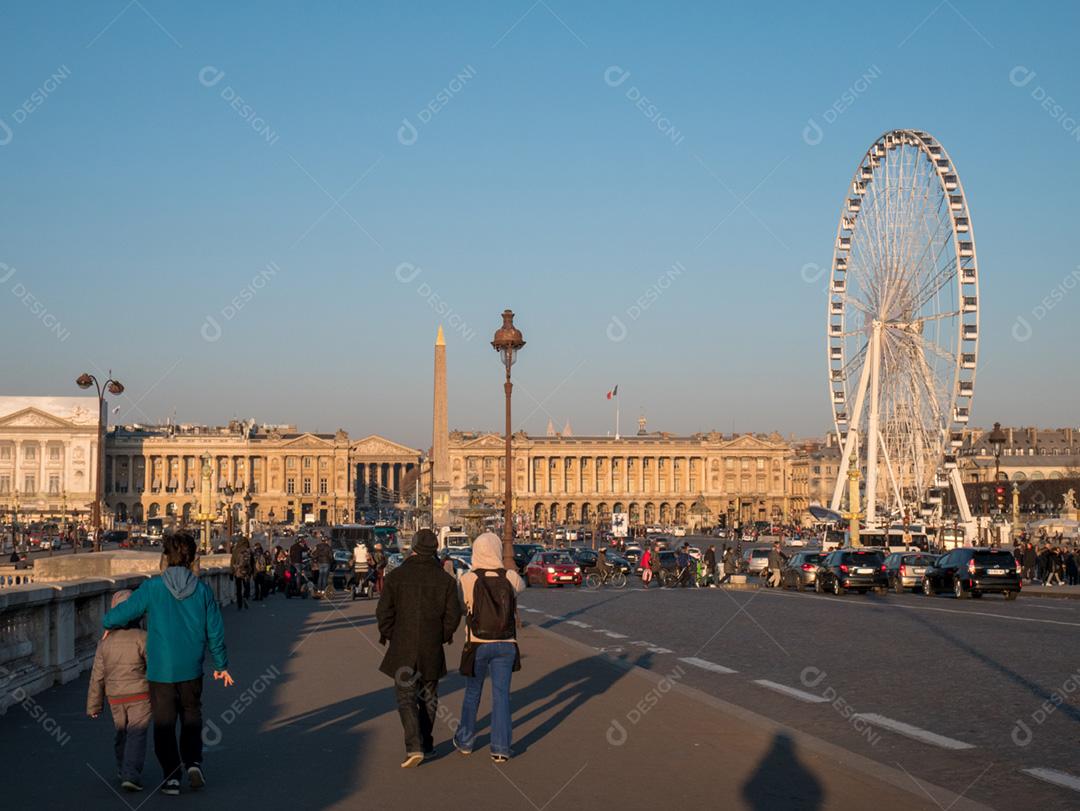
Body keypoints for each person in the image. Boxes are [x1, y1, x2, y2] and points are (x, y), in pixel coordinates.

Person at [102, 533, 232, 796]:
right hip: (192, 667)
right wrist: (221, 664)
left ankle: (171, 777)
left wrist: (109, 624)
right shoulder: (202, 590)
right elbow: (215, 630)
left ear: (165, 557)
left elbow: (120, 614)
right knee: (192, 716)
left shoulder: (153, 588)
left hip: (161, 668)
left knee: (164, 724)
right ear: (192, 558)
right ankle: (193, 762)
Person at [376, 529, 461, 768]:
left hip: (403, 645)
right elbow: (453, 615)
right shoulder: (445, 580)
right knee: (429, 696)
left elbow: (383, 612)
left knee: (405, 696)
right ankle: (427, 744)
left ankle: (414, 746)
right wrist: (441, 636)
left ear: (413, 547)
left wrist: (393, 634)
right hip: (431, 645)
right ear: (435, 549)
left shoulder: (396, 576)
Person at [454, 532, 525, 763]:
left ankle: (465, 741)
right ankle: (501, 747)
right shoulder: (511, 578)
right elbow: (520, 587)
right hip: (506, 644)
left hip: (477, 643)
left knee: (473, 693)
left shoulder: (468, 579)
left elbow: (463, 608)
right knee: (501, 696)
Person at [87, 590, 150, 793]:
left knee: (122, 731)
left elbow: (97, 675)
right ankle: (131, 774)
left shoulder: (105, 642)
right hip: (140, 693)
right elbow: (154, 667)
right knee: (137, 734)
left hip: (114, 696)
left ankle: (122, 767)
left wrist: (94, 705)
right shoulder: (143, 637)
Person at [230, 536, 253, 610]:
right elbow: (252, 562)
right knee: (247, 586)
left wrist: (231, 572)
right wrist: (251, 571)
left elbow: (232, 562)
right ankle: (246, 597)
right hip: (246, 572)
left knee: (238, 588)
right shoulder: (249, 550)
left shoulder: (236, 550)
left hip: (238, 572)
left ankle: (239, 604)